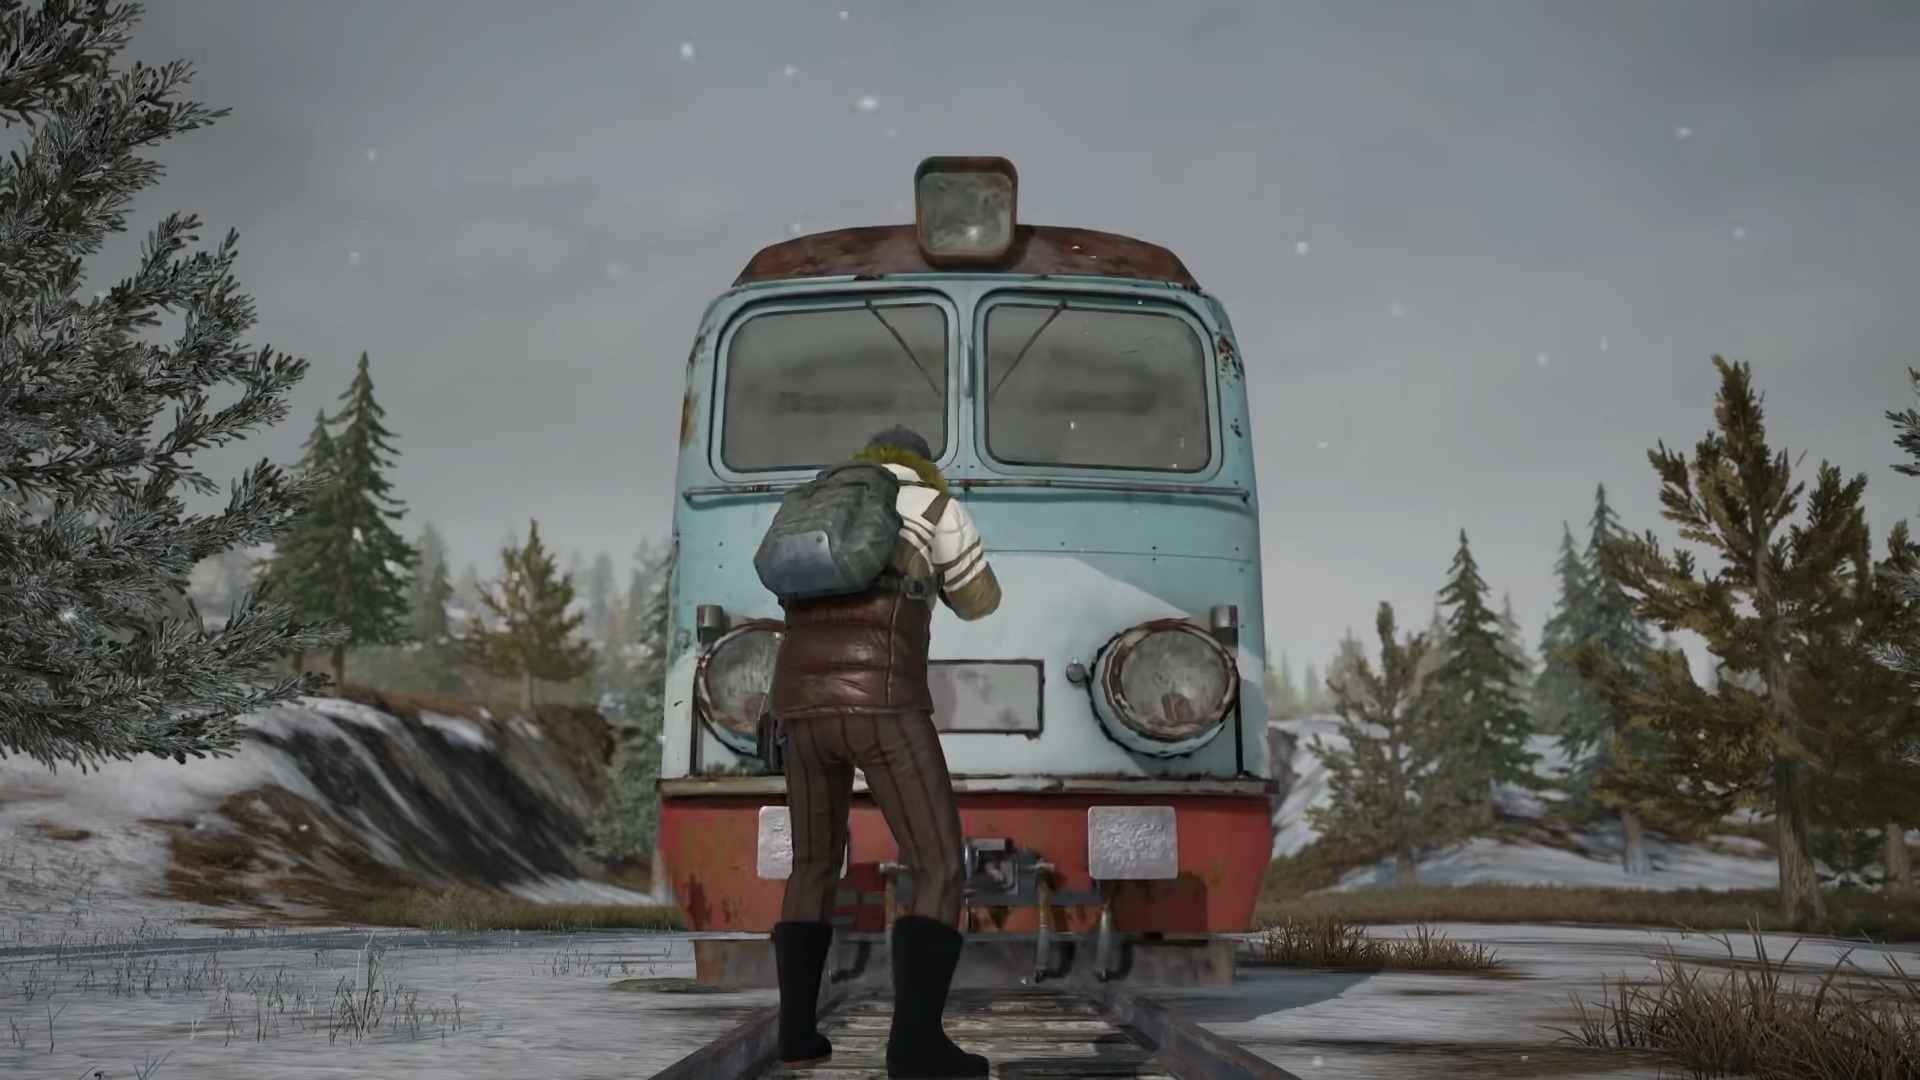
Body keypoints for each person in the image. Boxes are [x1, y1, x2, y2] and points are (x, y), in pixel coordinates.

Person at [766, 426, 1001, 1080]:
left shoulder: (815, 511)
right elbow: (980, 601)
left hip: (800, 712)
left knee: (812, 864)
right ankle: (916, 1049)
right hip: (884, 706)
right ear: (922, 464)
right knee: (937, 865)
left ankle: (795, 1037)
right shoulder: (933, 506)